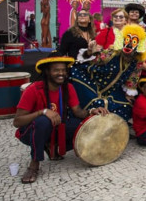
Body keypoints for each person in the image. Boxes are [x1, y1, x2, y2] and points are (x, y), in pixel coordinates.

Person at [13, 54, 108, 183]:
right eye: (56, 70)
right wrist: (43, 112)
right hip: (31, 131)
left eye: (63, 70)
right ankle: (34, 165)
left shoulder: (68, 87)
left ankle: (53, 147)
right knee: (43, 121)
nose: (61, 73)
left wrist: (92, 111)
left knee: (82, 126)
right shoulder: (33, 89)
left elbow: (78, 111)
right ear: (47, 72)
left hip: (57, 127)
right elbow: (17, 122)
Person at [70, 24, 146, 120]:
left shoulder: (137, 61)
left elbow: (133, 78)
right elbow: (96, 60)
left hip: (112, 90)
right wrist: (90, 51)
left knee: (126, 107)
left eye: (134, 42)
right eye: (127, 41)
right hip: (92, 82)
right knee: (98, 104)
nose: (129, 44)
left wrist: (128, 94)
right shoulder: (113, 52)